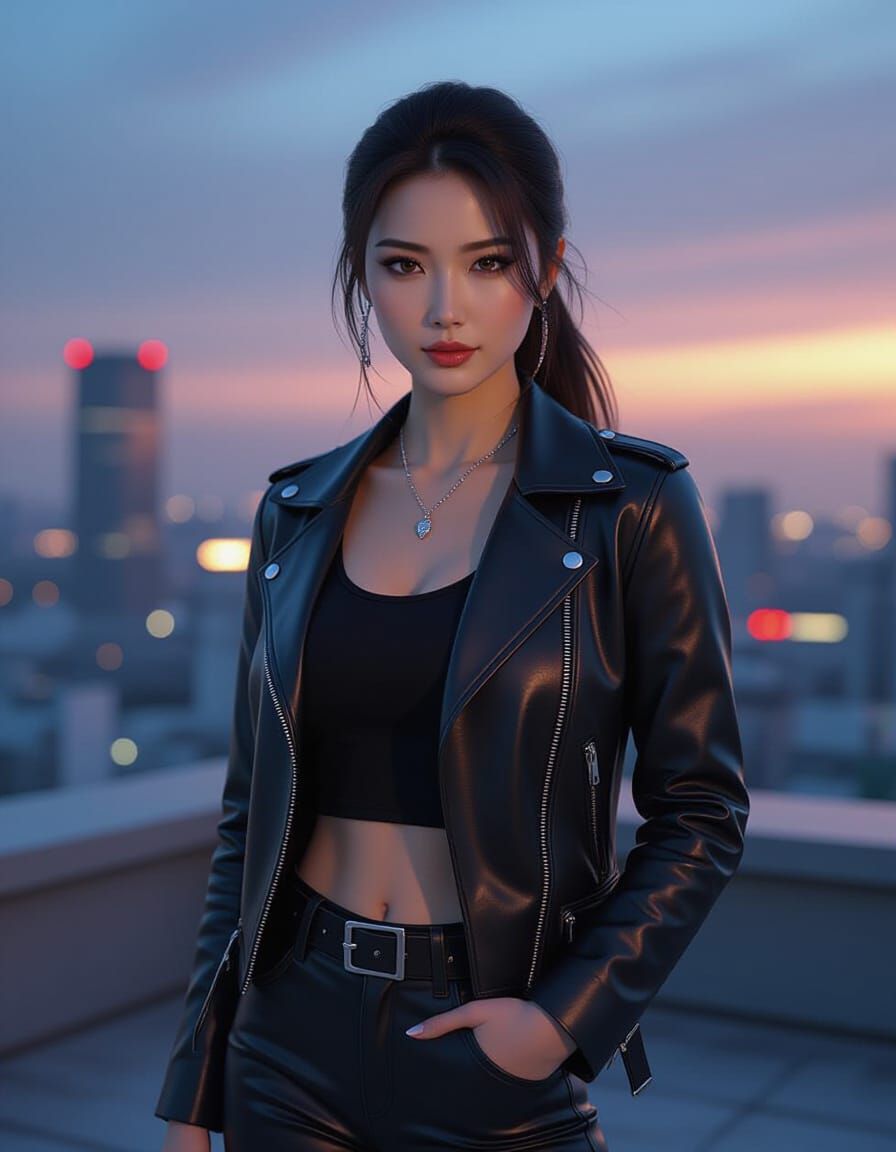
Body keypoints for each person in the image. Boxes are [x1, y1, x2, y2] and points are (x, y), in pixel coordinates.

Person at [156, 80, 750, 1151]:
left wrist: (557, 1022)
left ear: (545, 274)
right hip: (285, 1036)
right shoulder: (293, 513)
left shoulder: (633, 508)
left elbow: (700, 808)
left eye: (485, 264)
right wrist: (195, 1084)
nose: (443, 310)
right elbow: (249, 818)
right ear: (361, 279)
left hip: (491, 1048)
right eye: (402, 266)